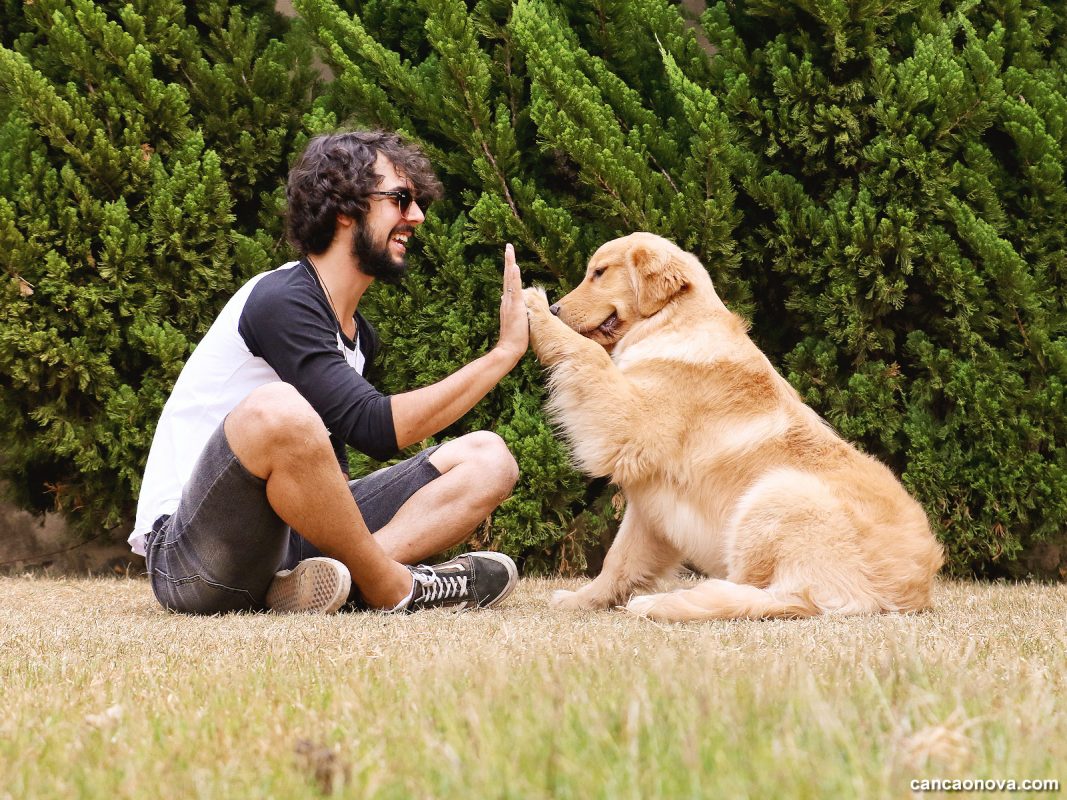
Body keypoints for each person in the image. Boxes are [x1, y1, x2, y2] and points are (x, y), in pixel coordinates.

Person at [128, 130, 529, 615]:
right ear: (344, 208)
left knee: (490, 459)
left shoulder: (359, 335)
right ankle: (396, 586)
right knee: (277, 409)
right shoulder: (281, 301)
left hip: (286, 544)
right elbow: (374, 427)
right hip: (190, 556)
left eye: (417, 201)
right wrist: (503, 354)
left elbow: (333, 471)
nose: (417, 216)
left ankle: (327, 583)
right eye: (400, 199)